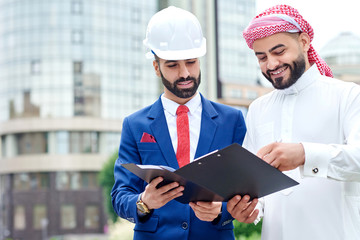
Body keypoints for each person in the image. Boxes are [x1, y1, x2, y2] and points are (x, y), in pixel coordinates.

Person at [111, 6, 247, 240]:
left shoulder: (232, 120)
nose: (185, 73)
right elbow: (120, 195)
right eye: (172, 65)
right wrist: (144, 202)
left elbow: (246, 190)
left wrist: (220, 211)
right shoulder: (135, 125)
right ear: (157, 67)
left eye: (191, 62)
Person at [227, 4, 360, 240]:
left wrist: (304, 154)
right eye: (262, 57)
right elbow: (255, 186)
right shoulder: (258, 108)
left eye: (279, 51)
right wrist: (249, 209)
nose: (271, 64)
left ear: (304, 42)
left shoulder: (348, 96)